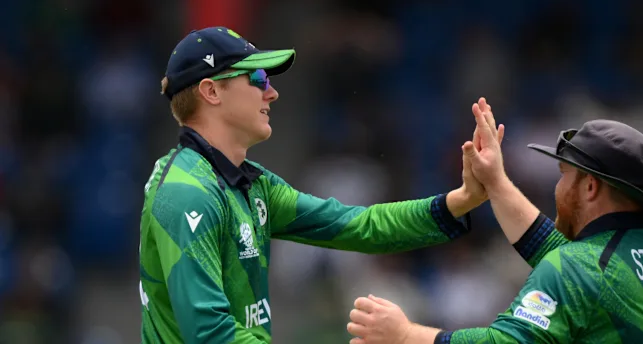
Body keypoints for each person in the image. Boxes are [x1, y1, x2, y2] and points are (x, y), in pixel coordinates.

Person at [138, 26, 503, 344]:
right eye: (258, 78)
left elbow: (360, 226)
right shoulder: (186, 193)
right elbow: (209, 334)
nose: (272, 92)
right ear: (211, 92)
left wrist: (463, 199)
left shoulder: (251, 183)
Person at [347, 103, 643, 343]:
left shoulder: (582, 268)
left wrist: (406, 335)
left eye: (564, 175)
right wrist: (496, 182)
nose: (557, 188)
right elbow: (570, 263)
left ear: (590, 187)